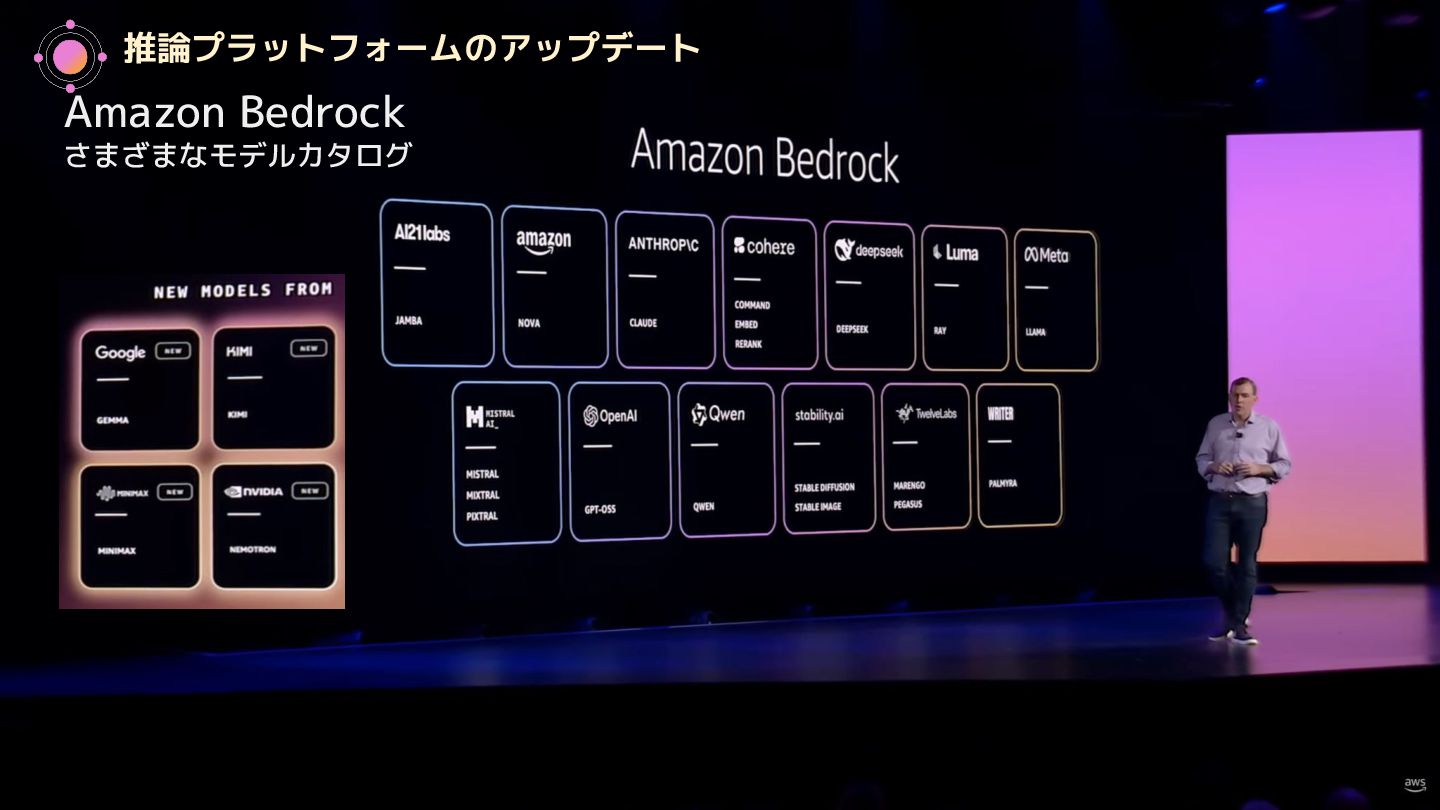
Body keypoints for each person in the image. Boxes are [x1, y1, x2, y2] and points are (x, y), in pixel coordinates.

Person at [1195, 377, 1292, 645]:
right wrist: (1214, 467)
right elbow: (1202, 458)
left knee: (1246, 562)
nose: (1238, 400)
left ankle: (1238, 625)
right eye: (1235, 395)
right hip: (1220, 501)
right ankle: (1235, 612)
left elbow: (1284, 464)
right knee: (1214, 563)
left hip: (1252, 502)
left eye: (1244, 395)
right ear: (1229, 397)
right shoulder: (1216, 424)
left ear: (1254, 399)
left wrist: (1260, 469)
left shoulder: (1268, 427)